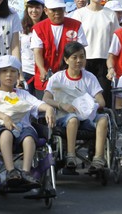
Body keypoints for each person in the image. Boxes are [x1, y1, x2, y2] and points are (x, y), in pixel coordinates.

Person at [0, 55, 55, 188]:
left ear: (18, 75)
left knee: (29, 137)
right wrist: (4, 117)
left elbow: (39, 104)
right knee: (6, 134)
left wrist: (48, 109)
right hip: (1, 127)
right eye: (5, 71)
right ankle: (10, 171)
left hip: (23, 128)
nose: (9, 75)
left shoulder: (23, 94)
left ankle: (26, 173)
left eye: (13, 71)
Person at [42, 42, 109, 172]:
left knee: (104, 119)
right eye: (74, 57)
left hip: (87, 117)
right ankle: (70, 156)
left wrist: (89, 104)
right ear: (66, 60)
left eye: (82, 57)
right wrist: (62, 105)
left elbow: (102, 102)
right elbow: (46, 99)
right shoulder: (57, 78)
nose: (79, 60)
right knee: (73, 119)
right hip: (64, 117)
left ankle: (98, 159)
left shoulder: (89, 77)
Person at [71, 0, 120, 104]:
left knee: (103, 99)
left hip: (104, 62)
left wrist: (111, 66)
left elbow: (115, 40)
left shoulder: (110, 14)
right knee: (83, 97)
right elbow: (74, 42)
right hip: (83, 62)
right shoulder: (79, 14)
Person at [31, 0, 87, 99]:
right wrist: (42, 70)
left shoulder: (76, 25)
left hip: (70, 78)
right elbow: (37, 52)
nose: (57, 13)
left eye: (60, 9)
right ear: (46, 11)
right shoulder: (38, 28)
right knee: (45, 110)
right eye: (53, 10)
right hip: (45, 79)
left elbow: (82, 52)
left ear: (64, 9)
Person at [20, 0, 47, 95]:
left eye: (37, 7)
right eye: (31, 7)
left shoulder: (47, 27)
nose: (34, 10)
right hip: (25, 72)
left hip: (42, 73)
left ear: (43, 9)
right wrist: (19, 75)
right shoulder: (20, 28)